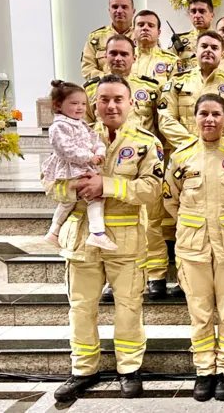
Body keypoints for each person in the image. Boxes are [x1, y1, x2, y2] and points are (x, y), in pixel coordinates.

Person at [49, 74, 162, 402]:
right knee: (81, 308)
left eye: (118, 99)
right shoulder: (74, 136)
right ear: (93, 105)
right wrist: (71, 187)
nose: (111, 105)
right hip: (81, 236)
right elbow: (50, 183)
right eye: (104, 99)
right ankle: (84, 369)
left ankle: (129, 368)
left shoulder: (145, 143)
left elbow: (153, 191)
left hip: (125, 239)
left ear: (130, 103)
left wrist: (108, 186)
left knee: (128, 307)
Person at [164, 94, 224, 402]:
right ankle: (205, 370)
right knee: (200, 313)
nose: (210, 119)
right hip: (192, 247)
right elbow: (170, 199)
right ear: (195, 118)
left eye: (217, 114)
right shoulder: (180, 156)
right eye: (204, 113)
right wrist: (195, 224)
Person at [85, 35, 169, 295]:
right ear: (105, 57)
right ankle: (109, 272)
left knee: (151, 220)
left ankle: (155, 273)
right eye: (113, 54)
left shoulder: (150, 87)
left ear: (135, 57)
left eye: (124, 54)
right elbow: (85, 126)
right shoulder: (90, 90)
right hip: (101, 159)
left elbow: (160, 124)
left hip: (139, 158)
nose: (118, 58)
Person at [41, 80, 114, 251]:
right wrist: (89, 157)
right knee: (93, 196)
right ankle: (97, 233)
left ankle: (53, 232)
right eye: (74, 103)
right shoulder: (58, 126)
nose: (80, 108)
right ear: (58, 105)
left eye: (83, 103)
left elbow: (95, 140)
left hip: (83, 166)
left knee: (70, 202)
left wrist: (100, 152)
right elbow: (66, 150)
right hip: (71, 168)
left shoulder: (81, 124)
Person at [159, 31, 224, 150]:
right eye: (204, 46)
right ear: (196, 50)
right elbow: (166, 119)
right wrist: (192, 145)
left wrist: (220, 146)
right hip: (184, 153)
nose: (208, 50)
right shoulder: (177, 82)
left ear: (222, 54)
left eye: (214, 48)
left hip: (222, 154)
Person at [81, 0, 135, 81]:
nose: (119, 11)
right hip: (104, 87)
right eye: (115, 7)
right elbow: (87, 68)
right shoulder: (95, 38)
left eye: (124, 7)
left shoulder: (143, 37)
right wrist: (110, 79)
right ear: (109, 10)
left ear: (133, 11)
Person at [129, 10, 178, 86]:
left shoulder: (172, 60)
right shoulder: (124, 57)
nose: (145, 28)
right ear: (133, 31)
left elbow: (174, 92)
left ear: (158, 33)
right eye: (141, 25)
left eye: (151, 25)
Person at [169, 0, 216, 71]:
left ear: (212, 15)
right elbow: (170, 66)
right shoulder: (179, 40)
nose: (197, 15)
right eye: (193, 11)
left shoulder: (220, 41)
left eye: (202, 11)